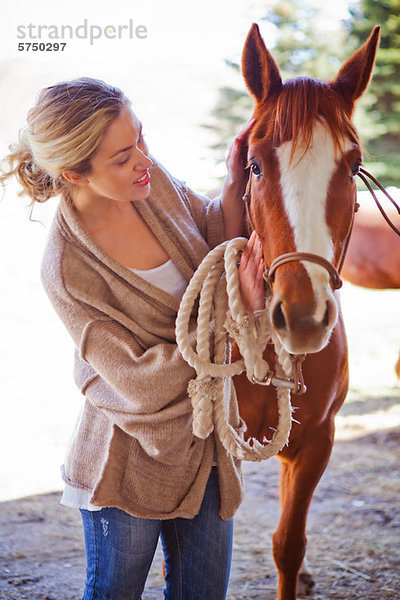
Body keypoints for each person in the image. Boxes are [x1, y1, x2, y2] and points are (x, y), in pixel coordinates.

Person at [0, 77, 265, 600]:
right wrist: (237, 319)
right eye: (122, 157)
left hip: (205, 442)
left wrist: (236, 181)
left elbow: (214, 233)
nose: (143, 158)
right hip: (124, 458)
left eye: (141, 138)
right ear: (75, 172)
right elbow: (140, 384)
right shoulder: (68, 269)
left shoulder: (151, 182)